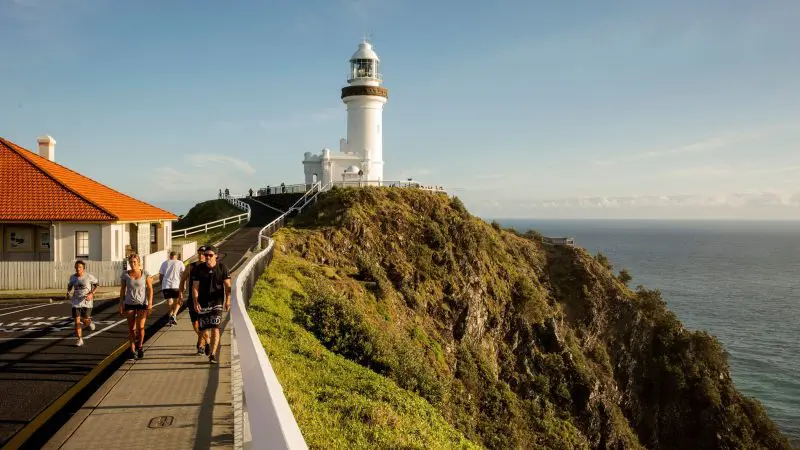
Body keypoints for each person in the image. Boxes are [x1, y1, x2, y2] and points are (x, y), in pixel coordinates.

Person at [192, 246, 231, 364]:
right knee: (202, 329)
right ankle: (207, 342)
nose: (207, 257)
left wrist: (228, 300)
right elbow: (195, 287)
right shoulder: (198, 269)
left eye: (210, 255)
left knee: (215, 328)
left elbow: (227, 286)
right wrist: (195, 302)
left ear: (216, 256)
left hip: (217, 302)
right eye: (206, 254)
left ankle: (213, 354)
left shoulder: (222, 268)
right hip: (203, 302)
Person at [119, 254, 153, 360]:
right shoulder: (125, 274)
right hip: (129, 304)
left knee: (141, 328)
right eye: (131, 262)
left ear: (138, 262)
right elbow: (122, 290)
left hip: (142, 304)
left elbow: (150, 289)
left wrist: (150, 304)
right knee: (131, 329)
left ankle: (140, 346)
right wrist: (121, 304)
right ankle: (132, 351)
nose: (132, 264)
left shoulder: (145, 273)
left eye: (134, 262)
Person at [179, 246, 208, 355]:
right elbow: (182, 281)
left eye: (203, 253)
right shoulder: (191, 267)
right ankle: (205, 339)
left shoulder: (209, 267)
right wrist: (181, 294)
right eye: (199, 253)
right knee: (195, 324)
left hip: (205, 300)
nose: (201, 256)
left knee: (203, 323)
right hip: (192, 299)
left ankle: (201, 343)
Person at [66, 260, 98, 347]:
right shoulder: (72, 277)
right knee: (77, 321)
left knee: (85, 321)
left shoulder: (88, 277)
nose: (78, 269)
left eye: (80, 267)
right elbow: (69, 286)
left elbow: (96, 285)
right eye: (76, 267)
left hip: (87, 301)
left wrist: (92, 294)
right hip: (76, 302)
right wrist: (68, 292)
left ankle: (90, 323)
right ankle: (79, 339)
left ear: (83, 269)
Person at [159, 251, 185, 326]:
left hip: (166, 285)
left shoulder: (164, 263)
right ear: (176, 256)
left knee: (170, 302)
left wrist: (162, 283)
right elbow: (183, 275)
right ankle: (174, 315)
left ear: (170, 256)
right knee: (179, 301)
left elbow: (161, 275)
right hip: (176, 285)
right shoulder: (180, 263)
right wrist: (184, 284)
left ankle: (171, 318)